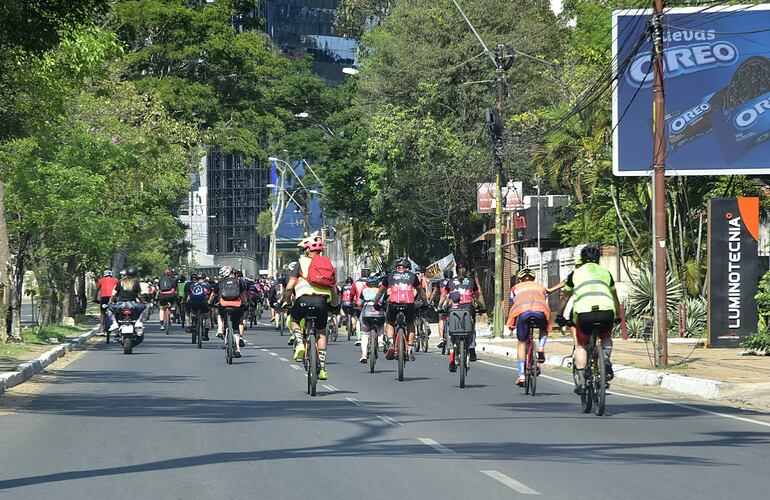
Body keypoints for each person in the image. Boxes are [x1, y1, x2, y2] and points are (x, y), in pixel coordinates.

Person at [557, 245, 622, 394]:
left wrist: (559, 316)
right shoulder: (606, 273)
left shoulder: (575, 274)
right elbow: (614, 297)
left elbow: (565, 297)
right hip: (606, 312)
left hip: (584, 313)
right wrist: (618, 316)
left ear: (583, 259)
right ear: (598, 259)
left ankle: (581, 382)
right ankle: (605, 359)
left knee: (581, 346)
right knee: (606, 337)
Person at [281, 233, 339, 381]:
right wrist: (334, 303)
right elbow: (333, 288)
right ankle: (323, 367)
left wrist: (286, 300)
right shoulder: (328, 264)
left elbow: (289, 287)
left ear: (307, 250)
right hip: (321, 302)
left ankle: (299, 342)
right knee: (322, 331)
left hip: (303, 299)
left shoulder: (301, 262)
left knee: (294, 319)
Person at [373, 258, 428, 362]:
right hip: (409, 304)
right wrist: (426, 304)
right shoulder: (413, 276)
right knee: (410, 323)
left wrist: (376, 303)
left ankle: (390, 343)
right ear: (408, 268)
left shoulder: (390, 276)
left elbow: (380, 292)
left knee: (389, 322)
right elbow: (421, 292)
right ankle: (410, 349)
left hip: (393, 303)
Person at [507, 268, 554, 386]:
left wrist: (511, 327)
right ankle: (541, 348)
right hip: (540, 312)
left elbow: (514, 305)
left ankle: (521, 376)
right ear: (533, 279)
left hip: (523, 314)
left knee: (522, 343)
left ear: (519, 279)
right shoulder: (540, 287)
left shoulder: (515, 288)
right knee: (543, 329)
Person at [442, 260, 486, 371]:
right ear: (466, 270)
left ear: (456, 271)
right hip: (468, 310)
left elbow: (444, 296)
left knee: (450, 331)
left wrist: (439, 308)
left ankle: (452, 360)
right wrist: (482, 307)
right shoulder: (471, 281)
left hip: (453, 310)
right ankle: (472, 351)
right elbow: (477, 295)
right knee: (470, 328)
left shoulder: (451, 282)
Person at [212, 266, 247, 357]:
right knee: (235, 326)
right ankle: (238, 349)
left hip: (224, 305)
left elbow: (213, 294)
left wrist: (209, 302)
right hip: (237, 306)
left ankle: (220, 329)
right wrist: (245, 304)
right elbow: (243, 295)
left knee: (219, 314)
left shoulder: (220, 282)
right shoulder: (239, 282)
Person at [107, 267, 146, 343]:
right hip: (133, 305)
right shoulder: (136, 283)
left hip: (121, 305)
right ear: (135, 274)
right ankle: (138, 321)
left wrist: (110, 302)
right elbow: (139, 295)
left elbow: (113, 294)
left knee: (109, 308)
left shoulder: (120, 282)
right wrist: (143, 302)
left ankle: (114, 323)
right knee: (144, 308)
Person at [358, 275, 385, 363]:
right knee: (381, 324)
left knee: (365, 334)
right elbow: (384, 301)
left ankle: (364, 355)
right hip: (379, 313)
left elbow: (359, 303)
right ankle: (381, 340)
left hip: (367, 313)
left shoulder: (364, 291)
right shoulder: (381, 291)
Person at [185, 272, 211, 341]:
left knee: (193, 313)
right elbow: (209, 295)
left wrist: (187, 302)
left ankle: (193, 323)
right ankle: (206, 335)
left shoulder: (192, 285)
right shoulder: (207, 285)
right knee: (207, 317)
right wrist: (209, 302)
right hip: (203, 302)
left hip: (194, 302)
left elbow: (189, 296)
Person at [432, 269, 453, 350]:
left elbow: (434, 293)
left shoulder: (440, 282)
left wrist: (430, 302)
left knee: (441, 319)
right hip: (452, 303)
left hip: (443, 303)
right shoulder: (454, 281)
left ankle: (441, 339)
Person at [350, 268, 371, 345]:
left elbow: (352, 294)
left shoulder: (356, 283)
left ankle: (359, 338)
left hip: (359, 305)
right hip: (371, 304)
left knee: (359, 320)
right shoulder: (373, 281)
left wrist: (351, 301)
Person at [94, 270, 118, 334]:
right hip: (113, 298)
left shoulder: (101, 280)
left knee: (102, 313)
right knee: (115, 312)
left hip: (104, 298)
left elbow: (97, 290)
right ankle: (116, 326)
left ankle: (101, 329)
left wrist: (95, 298)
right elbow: (118, 290)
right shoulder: (115, 280)